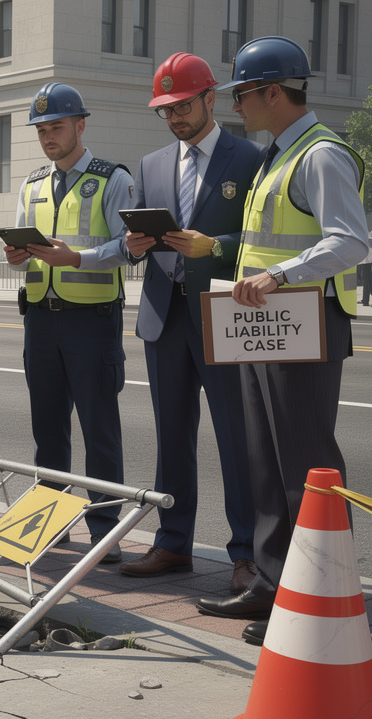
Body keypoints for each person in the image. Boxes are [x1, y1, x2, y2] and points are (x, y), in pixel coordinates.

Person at [193, 37, 369, 646]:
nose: (237, 105)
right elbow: (267, 240)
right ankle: (272, 585)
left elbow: (351, 241)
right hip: (267, 327)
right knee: (266, 465)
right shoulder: (277, 155)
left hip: (305, 325)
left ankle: (324, 593)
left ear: (273, 91)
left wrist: (279, 276)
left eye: (242, 93)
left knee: (307, 468)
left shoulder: (321, 154)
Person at [118, 53, 261, 593]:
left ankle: (246, 552)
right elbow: (138, 239)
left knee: (235, 438)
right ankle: (173, 542)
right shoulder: (152, 164)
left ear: (210, 99)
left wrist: (217, 245)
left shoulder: (248, 159)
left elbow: (260, 238)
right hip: (164, 316)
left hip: (221, 315)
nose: (175, 117)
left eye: (182, 106)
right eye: (165, 110)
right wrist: (133, 246)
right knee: (171, 436)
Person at [3, 83, 135, 564]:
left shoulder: (112, 179)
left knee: (100, 429)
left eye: (56, 126)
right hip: (41, 319)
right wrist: (15, 256)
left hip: (92, 322)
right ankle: (52, 521)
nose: (47, 137)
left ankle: (105, 528)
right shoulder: (32, 183)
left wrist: (75, 257)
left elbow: (129, 248)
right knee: (48, 429)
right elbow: (18, 258)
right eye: (41, 129)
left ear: (81, 125)